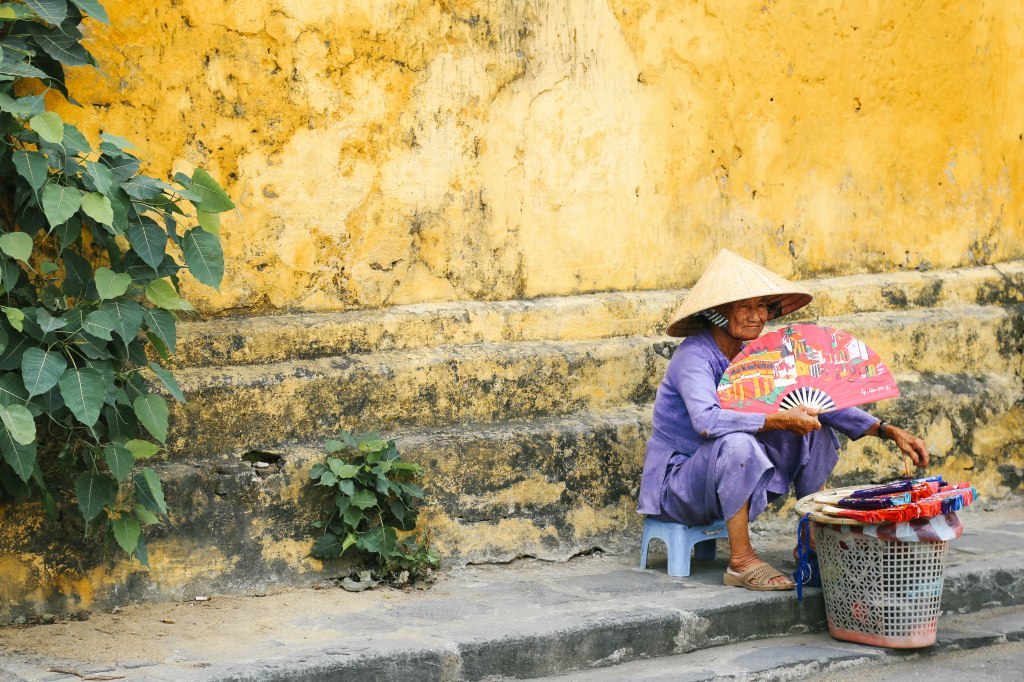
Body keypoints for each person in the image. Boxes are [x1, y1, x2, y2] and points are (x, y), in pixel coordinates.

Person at [637, 249, 930, 591]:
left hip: (725, 478)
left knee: (814, 426)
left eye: (762, 306)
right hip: (681, 487)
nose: (757, 316)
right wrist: (778, 420)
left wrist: (885, 430)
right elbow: (707, 421)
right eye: (744, 307)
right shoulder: (694, 356)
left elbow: (813, 398)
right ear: (716, 313)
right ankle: (740, 561)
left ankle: (813, 538)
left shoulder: (757, 357)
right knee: (738, 443)